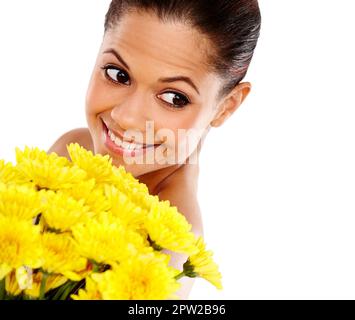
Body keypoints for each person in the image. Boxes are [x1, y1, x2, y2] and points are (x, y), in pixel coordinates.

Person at [48, 0, 261, 299]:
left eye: (174, 98)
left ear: (226, 106)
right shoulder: (71, 150)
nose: (127, 117)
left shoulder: (170, 249)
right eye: (117, 74)